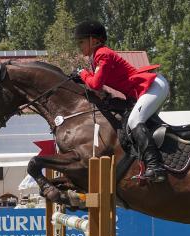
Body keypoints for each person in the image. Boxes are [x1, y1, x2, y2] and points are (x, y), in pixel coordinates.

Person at [72, 20, 169, 183]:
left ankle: (155, 166)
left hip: (153, 86)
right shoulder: (96, 57)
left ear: (94, 41)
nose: (79, 46)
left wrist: (82, 74)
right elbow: (97, 86)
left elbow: (95, 84)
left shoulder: (103, 53)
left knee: (134, 120)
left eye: (81, 42)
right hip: (141, 91)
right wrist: (82, 78)